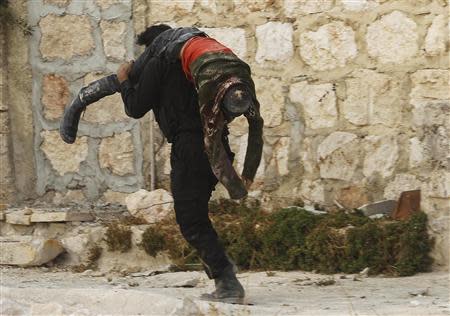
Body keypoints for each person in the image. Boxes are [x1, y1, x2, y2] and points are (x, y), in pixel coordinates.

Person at [60, 25, 263, 304]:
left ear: (152, 47)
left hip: (190, 150)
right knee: (196, 216)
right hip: (218, 147)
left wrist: (123, 81)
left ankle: (226, 280)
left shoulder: (159, 62)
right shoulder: (198, 66)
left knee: (190, 221)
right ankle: (222, 273)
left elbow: (135, 107)